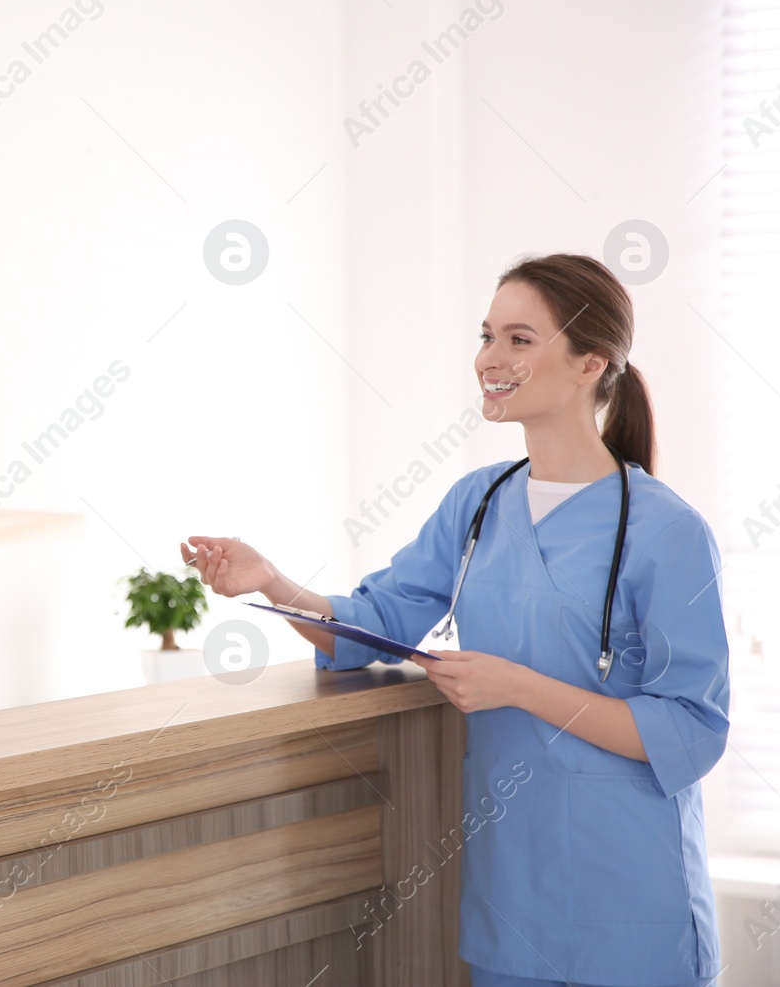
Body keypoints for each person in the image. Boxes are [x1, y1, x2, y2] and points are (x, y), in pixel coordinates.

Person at [184, 254, 729, 987]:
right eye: (486, 335)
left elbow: (692, 729)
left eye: (518, 339)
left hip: (630, 900)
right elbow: (376, 619)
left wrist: (520, 687)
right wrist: (274, 582)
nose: (488, 359)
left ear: (589, 362)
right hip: (514, 899)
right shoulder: (478, 502)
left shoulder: (666, 529)